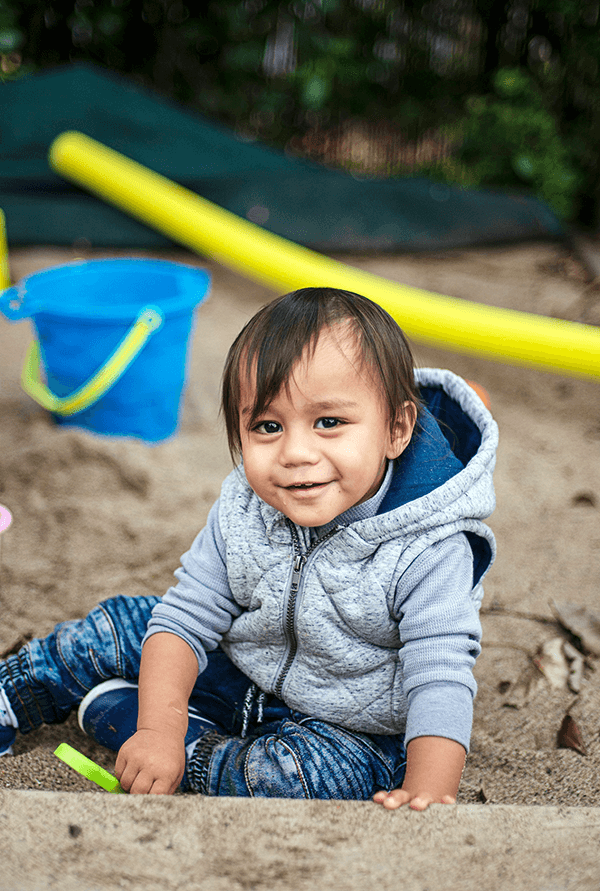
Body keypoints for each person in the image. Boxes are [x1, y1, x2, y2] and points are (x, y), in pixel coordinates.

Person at [0, 287, 497, 809]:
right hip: (239, 672)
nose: (296, 453)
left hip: (344, 727)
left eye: (329, 422)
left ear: (396, 430)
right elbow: (186, 619)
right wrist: (158, 728)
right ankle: (15, 698)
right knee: (122, 625)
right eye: (268, 426)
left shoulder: (430, 548)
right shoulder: (246, 506)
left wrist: (430, 792)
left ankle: (165, 735)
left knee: (298, 783)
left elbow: (439, 674)